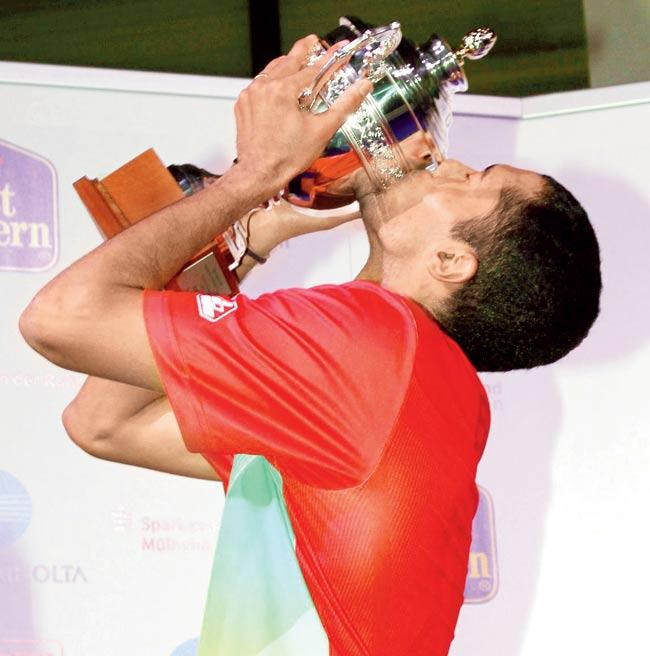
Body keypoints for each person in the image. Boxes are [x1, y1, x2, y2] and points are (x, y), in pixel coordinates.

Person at [19, 35, 601, 656]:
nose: (441, 153)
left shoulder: (374, 346)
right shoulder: (410, 380)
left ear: (452, 260)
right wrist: (249, 238)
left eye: (475, 178)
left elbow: (61, 319)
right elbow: (104, 424)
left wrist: (255, 176)